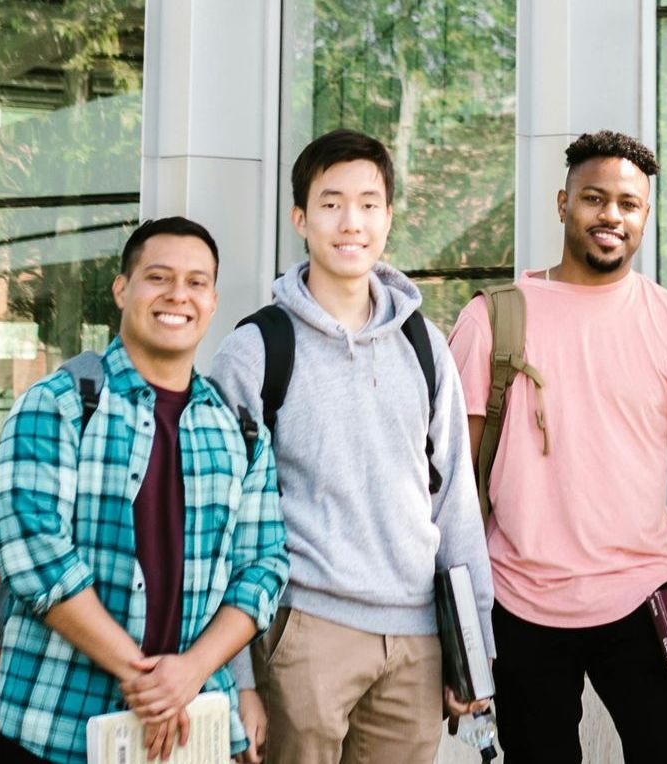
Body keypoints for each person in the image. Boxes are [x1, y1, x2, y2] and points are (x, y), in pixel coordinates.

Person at [447, 130, 667, 763]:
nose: (611, 215)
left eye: (629, 203)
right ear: (563, 204)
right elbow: (456, 491)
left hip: (644, 601)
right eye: (594, 198)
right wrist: (456, 642)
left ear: (645, 216)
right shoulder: (491, 319)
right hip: (519, 603)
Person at [210, 128, 494, 764]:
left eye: (368, 204)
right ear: (300, 218)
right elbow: (217, 526)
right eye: (332, 203)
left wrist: (474, 653)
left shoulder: (424, 346)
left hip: (417, 642)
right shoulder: (256, 349)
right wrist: (240, 678)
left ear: (388, 218)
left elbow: (454, 504)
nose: (351, 222)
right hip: (304, 632)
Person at [0, 216, 289, 764]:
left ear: (214, 300)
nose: (179, 295)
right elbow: (35, 555)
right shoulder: (57, 406)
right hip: (59, 728)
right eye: (158, 277)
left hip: (195, 729)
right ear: (122, 288)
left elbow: (263, 567)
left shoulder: (241, 429)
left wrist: (191, 672)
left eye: (197, 282)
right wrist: (145, 677)